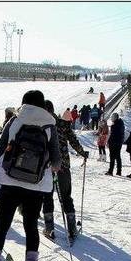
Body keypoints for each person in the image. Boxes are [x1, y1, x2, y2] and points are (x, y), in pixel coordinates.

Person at [0, 90, 60, 261]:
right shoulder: (50, 124)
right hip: (36, 185)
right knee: (31, 226)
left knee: (2, 224)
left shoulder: (15, 120)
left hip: (11, 182)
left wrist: (4, 170)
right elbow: (56, 160)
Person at [41, 100, 87, 242]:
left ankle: (49, 228)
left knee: (47, 196)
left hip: (46, 167)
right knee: (66, 196)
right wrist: (83, 153)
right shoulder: (62, 124)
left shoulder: (40, 125)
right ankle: (72, 228)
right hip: (63, 166)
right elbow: (73, 141)